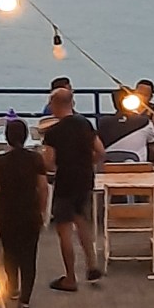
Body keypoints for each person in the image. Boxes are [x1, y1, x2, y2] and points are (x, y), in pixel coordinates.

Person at [42, 88, 104, 291]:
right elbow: (100, 151)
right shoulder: (85, 123)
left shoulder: (53, 132)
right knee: (81, 220)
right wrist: (88, 162)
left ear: (54, 104)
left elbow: (49, 163)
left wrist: (52, 165)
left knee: (64, 229)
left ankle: (70, 278)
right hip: (85, 177)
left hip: (66, 180)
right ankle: (92, 265)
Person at [0, 119, 48, 308]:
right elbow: (43, 187)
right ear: (26, 136)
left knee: (10, 252)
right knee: (29, 257)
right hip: (29, 212)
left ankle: (12, 287)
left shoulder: (0, 161)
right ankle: (25, 302)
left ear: (7, 137)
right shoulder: (36, 159)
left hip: (6, 214)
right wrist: (42, 210)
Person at [98, 88, 154, 163]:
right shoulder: (146, 122)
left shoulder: (103, 122)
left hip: (108, 165)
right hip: (138, 166)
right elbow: (151, 142)